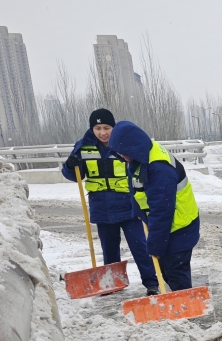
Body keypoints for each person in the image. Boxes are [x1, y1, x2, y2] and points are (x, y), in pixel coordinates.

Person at [61, 109, 158, 294]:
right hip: (102, 208)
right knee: (109, 251)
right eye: (98, 128)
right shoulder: (83, 146)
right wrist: (70, 164)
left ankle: (152, 283)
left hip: (129, 207)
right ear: (92, 129)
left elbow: (141, 168)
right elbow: (73, 175)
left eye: (106, 127)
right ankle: (113, 282)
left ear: (113, 127)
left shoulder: (124, 144)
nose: (102, 132)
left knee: (140, 248)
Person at [107, 121, 200, 292]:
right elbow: (135, 187)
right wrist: (138, 212)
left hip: (180, 226)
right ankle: (176, 301)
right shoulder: (139, 158)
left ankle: (185, 309)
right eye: (118, 152)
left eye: (123, 151)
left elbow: (162, 211)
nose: (121, 155)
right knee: (165, 270)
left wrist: (155, 246)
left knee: (176, 272)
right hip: (167, 227)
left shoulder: (158, 168)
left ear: (133, 146)